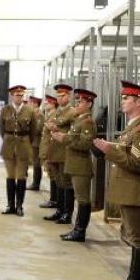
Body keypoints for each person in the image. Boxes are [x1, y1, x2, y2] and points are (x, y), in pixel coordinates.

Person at [93, 81, 140, 280]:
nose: (122, 101)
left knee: (139, 241)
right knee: (133, 239)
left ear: (139, 102)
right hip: (130, 192)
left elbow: (137, 165)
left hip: (138, 194)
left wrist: (109, 150)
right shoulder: (132, 127)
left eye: (126, 98)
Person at [54, 88, 96, 241]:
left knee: (83, 200)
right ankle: (77, 229)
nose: (78, 104)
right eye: (77, 101)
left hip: (81, 165)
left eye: (82, 102)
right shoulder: (80, 120)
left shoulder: (88, 122)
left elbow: (85, 144)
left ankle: (80, 231)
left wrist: (65, 139)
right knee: (80, 198)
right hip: (75, 164)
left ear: (89, 104)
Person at [0, 85, 38, 216]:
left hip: (23, 146)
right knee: (10, 176)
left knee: (21, 176)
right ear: (12, 95)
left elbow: (33, 131)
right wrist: (9, 139)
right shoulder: (5, 110)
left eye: (21, 95)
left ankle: (20, 206)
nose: (19, 97)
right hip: (9, 146)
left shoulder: (29, 111)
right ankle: (10, 205)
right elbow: (1, 130)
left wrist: (26, 143)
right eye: (16, 94)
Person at [45, 84, 76, 224]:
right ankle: (60, 210)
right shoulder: (58, 111)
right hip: (55, 150)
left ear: (68, 96)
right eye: (58, 95)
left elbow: (71, 131)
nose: (59, 98)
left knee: (66, 183)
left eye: (62, 95)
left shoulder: (72, 111)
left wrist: (55, 126)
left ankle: (66, 213)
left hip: (64, 151)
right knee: (59, 182)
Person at [38, 94, 59, 209]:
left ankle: (54, 200)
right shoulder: (49, 114)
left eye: (48, 102)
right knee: (51, 174)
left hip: (51, 148)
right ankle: (53, 198)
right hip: (47, 147)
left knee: (54, 175)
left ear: (53, 104)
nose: (45, 104)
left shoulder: (54, 115)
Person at [26, 96, 44, 191]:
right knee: (34, 162)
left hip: (36, 142)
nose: (29, 104)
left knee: (37, 163)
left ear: (35, 104)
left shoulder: (39, 115)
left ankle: (36, 184)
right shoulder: (33, 114)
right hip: (33, 142)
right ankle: (34, 182)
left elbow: (39, 128)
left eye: (30, 102)